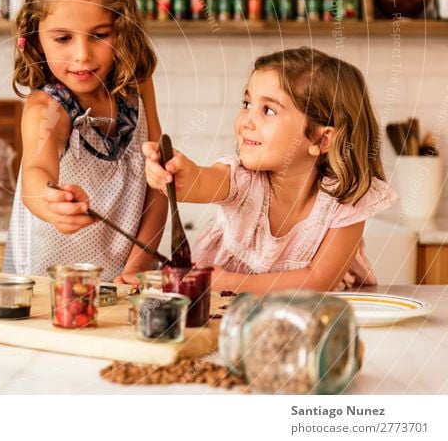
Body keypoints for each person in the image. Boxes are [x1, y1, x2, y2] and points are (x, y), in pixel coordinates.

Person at [144, 47, 397, 293]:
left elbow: (318, 280)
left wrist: (225, 282)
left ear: (321, 140)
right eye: (246, 103)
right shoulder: (242, 179)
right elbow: (197, 183)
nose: (246, 121)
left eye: (268, 110)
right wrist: (174, 172)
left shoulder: (346, 199)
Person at [3, 0, 166, 284]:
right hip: (45, 286)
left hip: (123, 282)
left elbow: (158, 184)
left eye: (100, 35)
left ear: (123, 28)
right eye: (63, 38)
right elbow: (36, 171)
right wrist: (51, 206)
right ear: (34, 39)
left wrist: (137, 267)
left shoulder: (137, 84)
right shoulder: (46, 108)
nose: (82, 55)